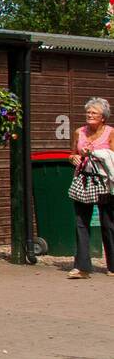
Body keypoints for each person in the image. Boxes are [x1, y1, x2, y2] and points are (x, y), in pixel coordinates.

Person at [67, 96, 114, 278]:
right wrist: (73, 158)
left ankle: (112, 266)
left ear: (103, 117)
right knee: (81, 222)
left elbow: (112, 155)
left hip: (103, 182)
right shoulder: (79, 132)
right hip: (83, 180)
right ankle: (82, 267)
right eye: (88, 112)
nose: (90, 115)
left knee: (108, 223)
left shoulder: (110, 133)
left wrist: (94, 152)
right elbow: (71, 153)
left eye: (94, 112)